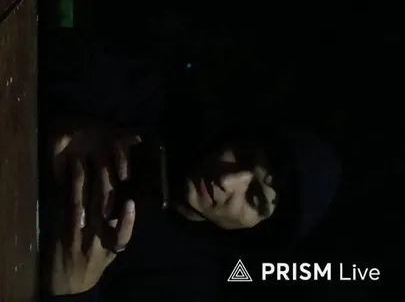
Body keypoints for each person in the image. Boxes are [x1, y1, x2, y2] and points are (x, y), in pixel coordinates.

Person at [40, 35, 341, 301]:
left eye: (254, 197)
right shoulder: (159, 101)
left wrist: (75, 290)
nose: (227, 179)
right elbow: (56, 54)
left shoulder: (186, 285)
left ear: (256, 229)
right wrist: (69, 124)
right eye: (244, 155)